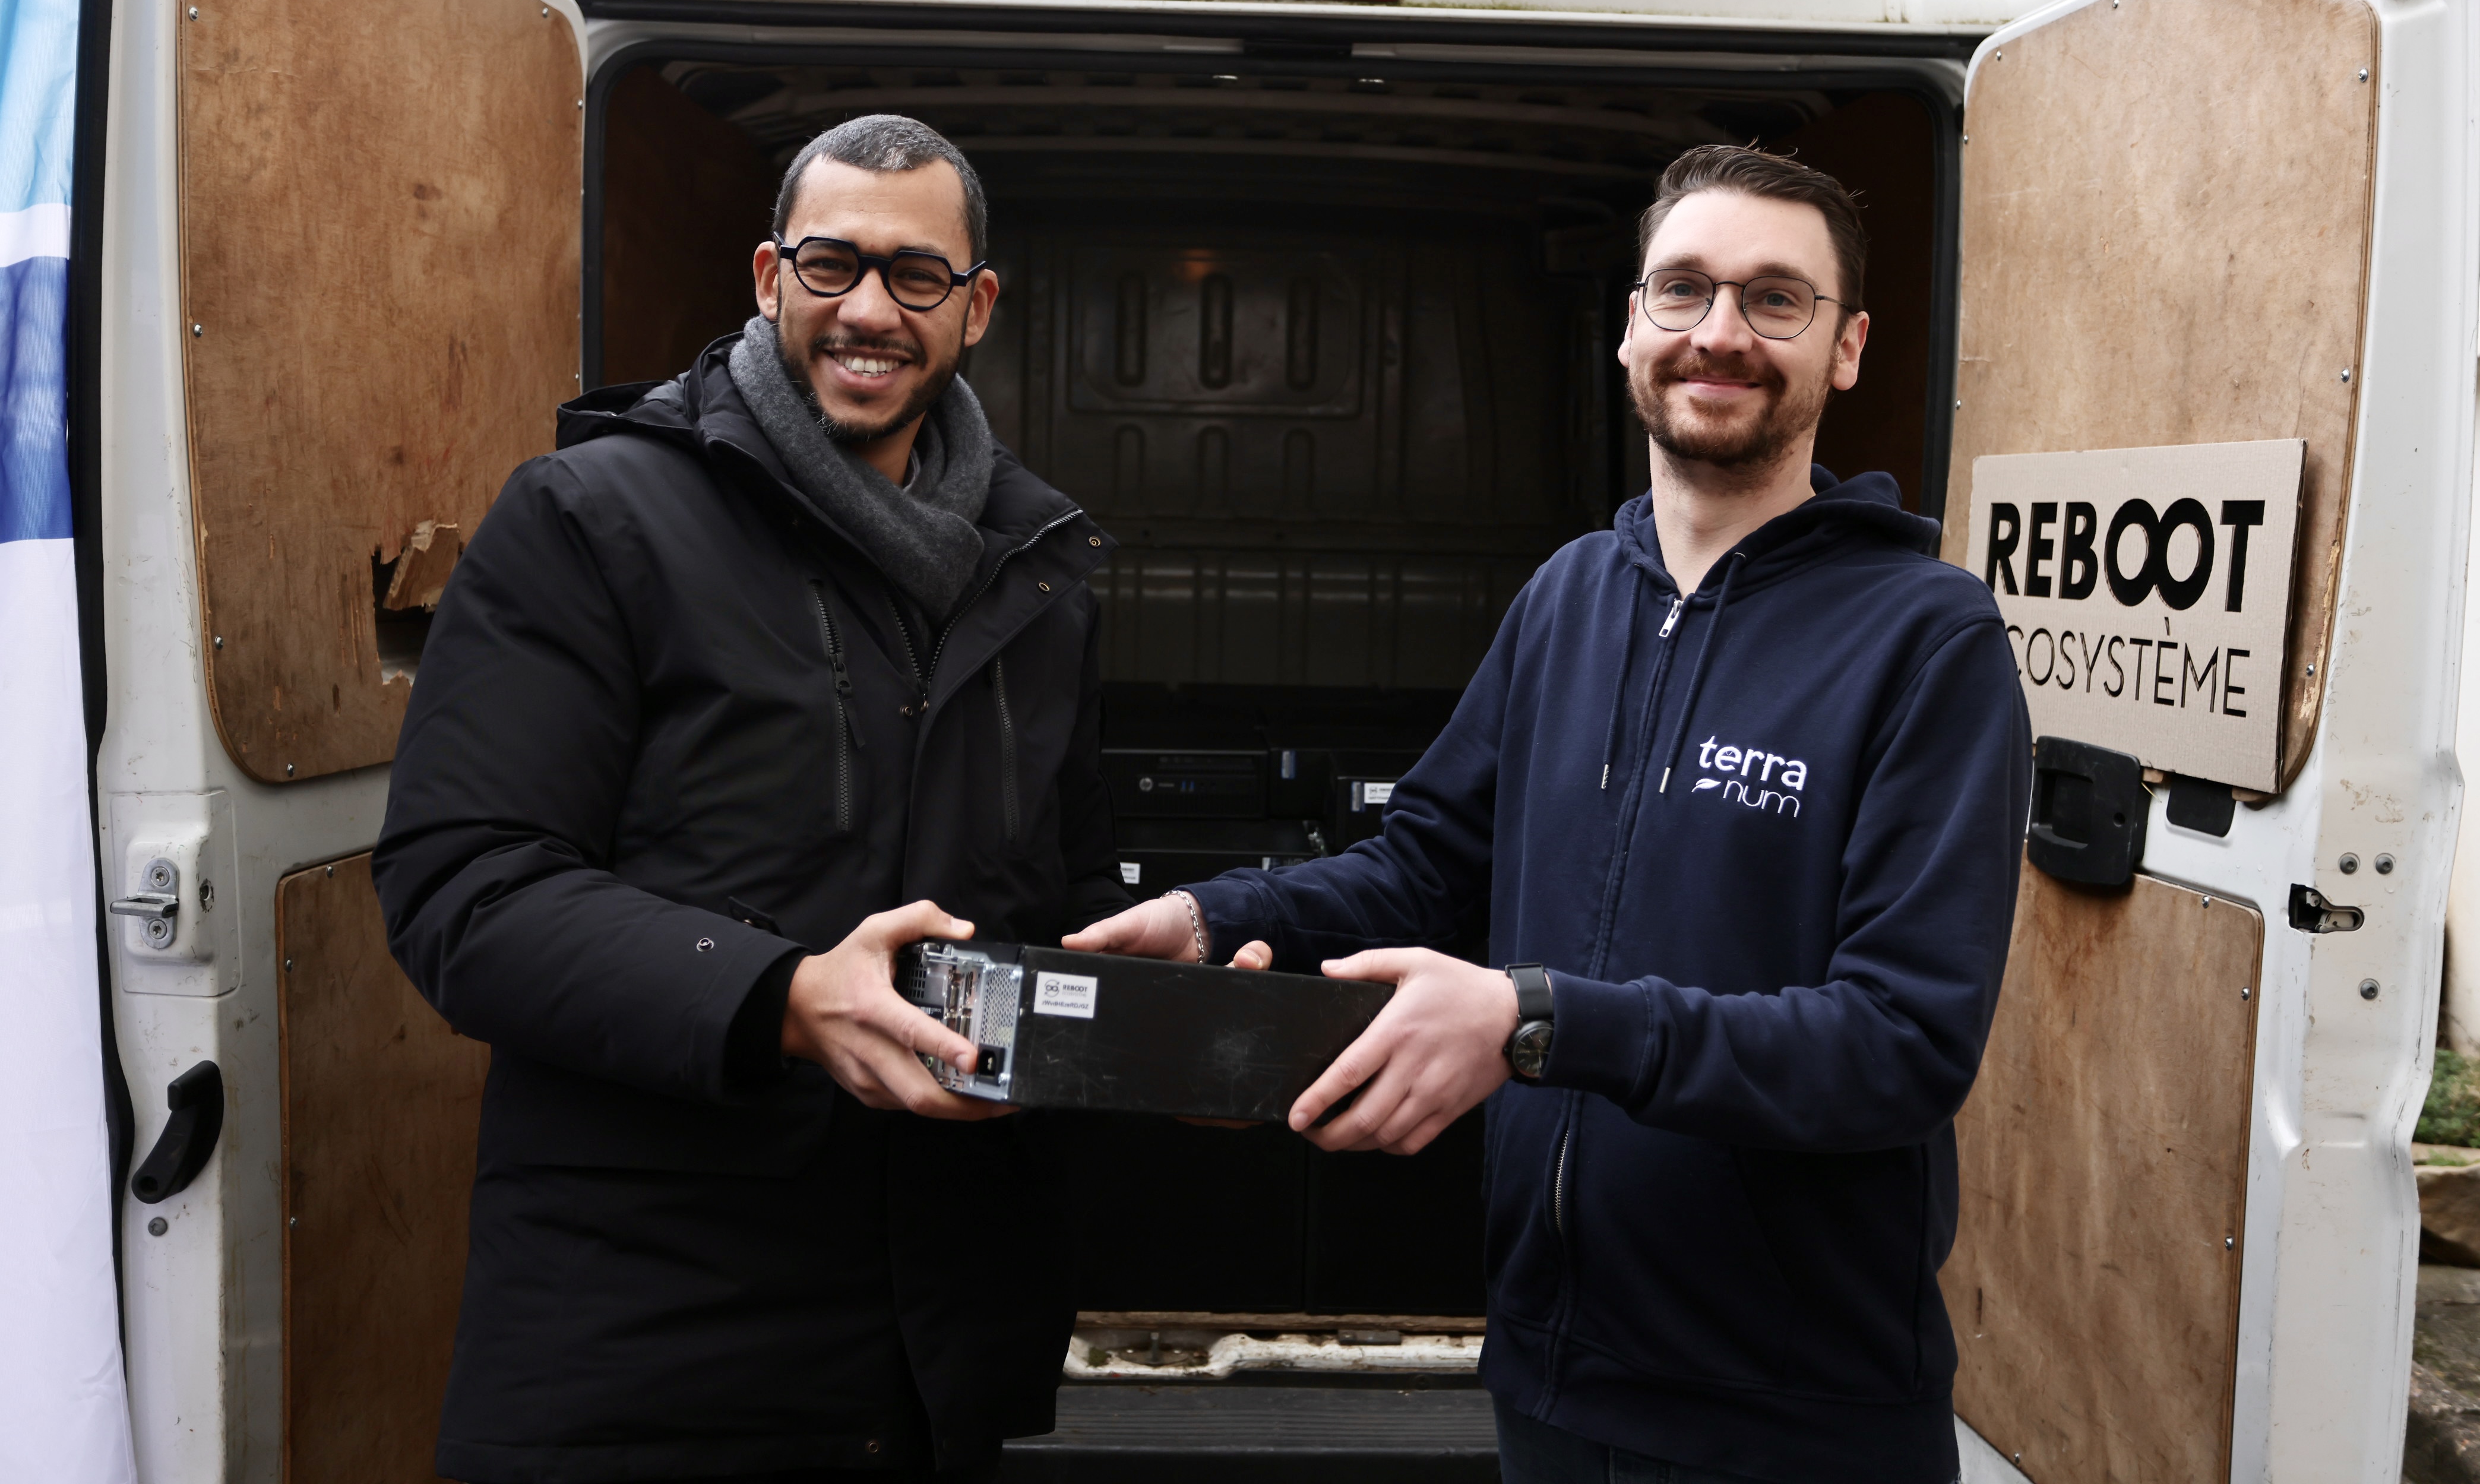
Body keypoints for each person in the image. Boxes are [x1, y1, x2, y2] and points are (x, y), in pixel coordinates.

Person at [1070, 144, 2032, 1484]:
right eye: (1684, 290)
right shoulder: (1573, 593)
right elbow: (1425, 869)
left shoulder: (1929, 639)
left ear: (1849, 347)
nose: (1720, 334)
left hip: (1796, 1409)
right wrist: (1214, 916)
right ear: (1630, 324)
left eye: (1775, 299)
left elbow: (1902, 1044)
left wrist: (1533, 1019)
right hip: (1551, 1373)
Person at [375, 115, 1127, 1484]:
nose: (868, 312)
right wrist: (779, 995)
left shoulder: (1039, 568)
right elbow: (463, 890)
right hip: (649, 1341)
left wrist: (1161, 1022)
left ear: (978, 309)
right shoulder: (590, 521)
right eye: (832, 266)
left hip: (932, 1350)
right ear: (770, 276)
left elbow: (1060, 895)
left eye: (916, 277)